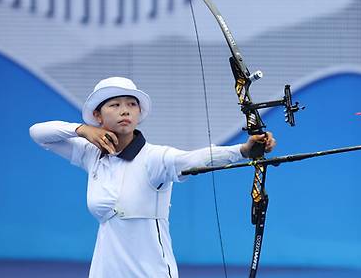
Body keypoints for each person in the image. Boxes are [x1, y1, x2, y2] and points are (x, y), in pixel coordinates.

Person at [29, 76, 275, 278]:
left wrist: (241, 151)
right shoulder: (91, 154)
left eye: (131, 104)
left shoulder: (154, 158)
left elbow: (191, 159)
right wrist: (82, 130)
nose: (124, 110)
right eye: (114, 105)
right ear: (98, 116)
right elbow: (38, 133)